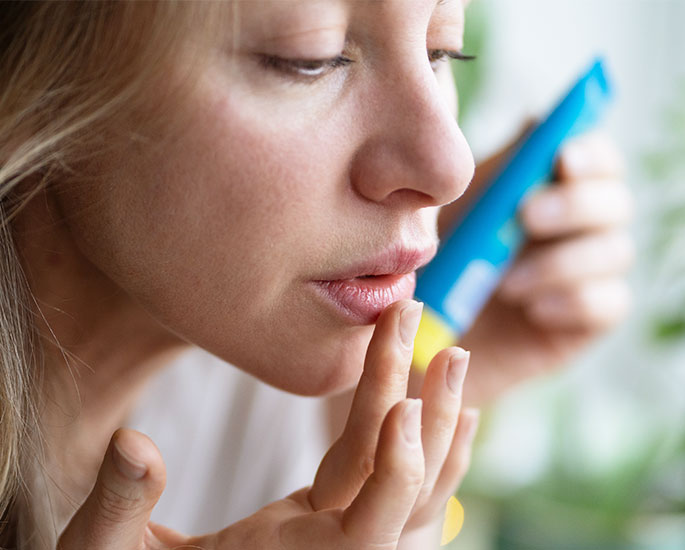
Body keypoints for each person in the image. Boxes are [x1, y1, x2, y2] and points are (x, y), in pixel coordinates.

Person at [0, 1, 633, 548]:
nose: (450, 165)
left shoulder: (256, 395)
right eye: (313, 57)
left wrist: (390, 460)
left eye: (443, 49)